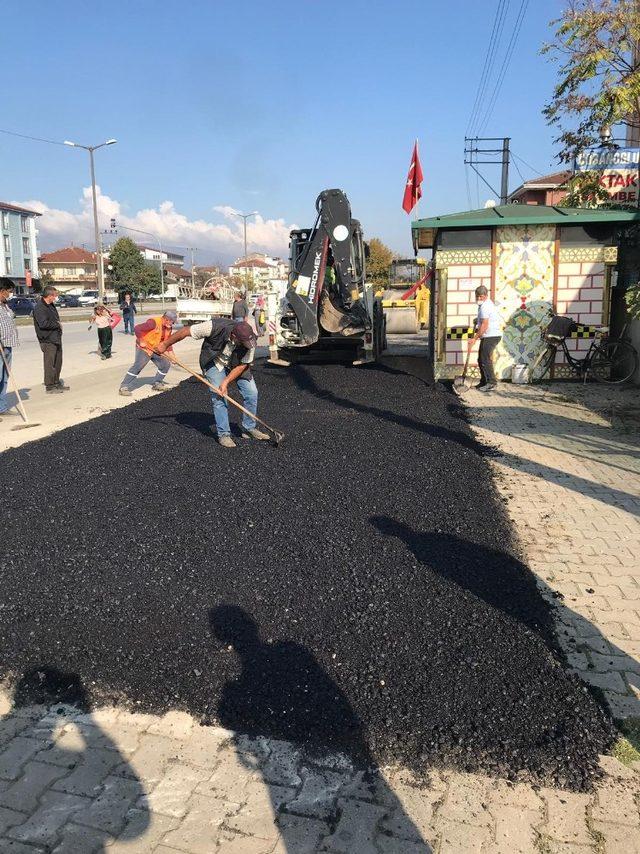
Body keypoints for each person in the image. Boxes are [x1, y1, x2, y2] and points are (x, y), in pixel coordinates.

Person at [157, 317, 269, 448]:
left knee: (252, 392)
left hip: (237, 364)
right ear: (234, 336)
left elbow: (243, 365)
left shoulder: (250, 341)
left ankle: (249, 428)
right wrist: (165, 344)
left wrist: (226, 381)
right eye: (242, 342)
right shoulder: (214, 327)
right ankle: (224, 434)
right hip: (214, 363)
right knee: (219, 395)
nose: (246, 345)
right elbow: (185, 331)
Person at [119, 310, 177, 396]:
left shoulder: (168, 328)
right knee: (138, 366)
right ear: (167, 319)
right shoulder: (153, 322)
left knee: (165, 364)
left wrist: (172, 356)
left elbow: (167, 342)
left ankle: (157, 383)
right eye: (172, 322)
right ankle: (124, 387)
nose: (173, 324)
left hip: (155, 348)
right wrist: (141, 340)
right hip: (144, 348)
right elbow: (137, 328)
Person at [33, 285, 68, 394]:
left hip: (56, 338)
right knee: (49, 363)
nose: (56, 298)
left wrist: (58, 326)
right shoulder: (40, 307)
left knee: (58, 362)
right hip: (47, 340)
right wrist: (57, 324)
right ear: (49, 296)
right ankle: (50, 386)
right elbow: (43, 324)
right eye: (54, 295)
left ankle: (56, 383)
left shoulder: (51, 305)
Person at [469, 285, 501, 391]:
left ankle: (491, 382)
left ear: (486, 296)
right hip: (489, 335)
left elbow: (485, 325)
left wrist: (475, 338)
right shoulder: (485, 305)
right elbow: (484, 320)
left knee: (485, 359)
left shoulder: (485, 306)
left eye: (481, 296)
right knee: (480, 359)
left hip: (491, 336)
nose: (479, 299)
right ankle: (483, 382)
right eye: (477, 296)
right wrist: (477, 320)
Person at [0, 278, 18, 420]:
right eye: (9, 291)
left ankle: (2, 407)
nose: (10, 294)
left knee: (4, 378)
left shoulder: (5, 305)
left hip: (7, 344)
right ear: (2, 291)